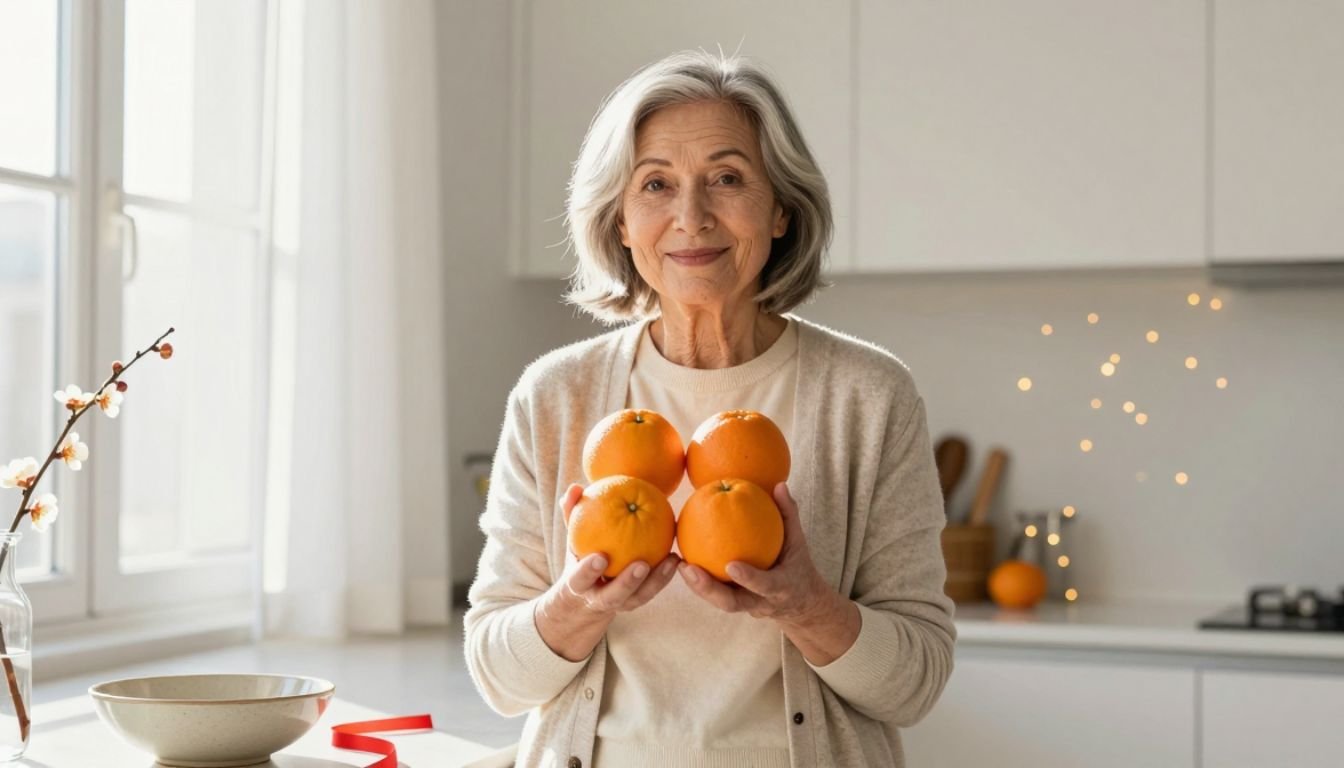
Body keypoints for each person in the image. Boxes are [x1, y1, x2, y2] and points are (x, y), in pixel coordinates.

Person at [464, 50, 954, 768]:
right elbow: (497, 680)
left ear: (782, 209)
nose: (690, 216)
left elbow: (916, 684)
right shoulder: (555, 396)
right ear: (622, 223)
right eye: (656, 184)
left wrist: (804, 603)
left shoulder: (870, 397)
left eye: (727, 178)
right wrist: (577, 604)